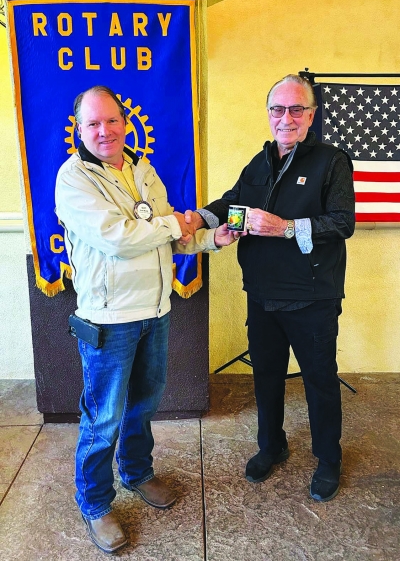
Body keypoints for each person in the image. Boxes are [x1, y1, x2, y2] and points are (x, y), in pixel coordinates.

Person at [55, 85, 236, 554]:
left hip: (155, 311)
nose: (104, 131)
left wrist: (209, 240)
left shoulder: (141, 168)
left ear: (125, 121)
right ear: (78, 129)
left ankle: (137, 473)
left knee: (144, 404)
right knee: (103, 418)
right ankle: (95, 503)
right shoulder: (73, 178)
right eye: (93, 123)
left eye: (112, 120)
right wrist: (182, 223)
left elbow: (163, 235)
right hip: (109, 319)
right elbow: (119, 236)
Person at [188, 74, 355, 502]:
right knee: (266, 376)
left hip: (312, 295)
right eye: (278, 109)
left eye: (297, 109)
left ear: (312, 115)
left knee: (319, 379)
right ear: (268, 115)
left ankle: (328, 459)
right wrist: (198, 218)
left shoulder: (333, 161)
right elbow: (232, 199)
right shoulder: (260, 161)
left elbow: (342, 222)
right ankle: (271, 445)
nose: (286, 118)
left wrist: (285, 228)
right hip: (261, 292)